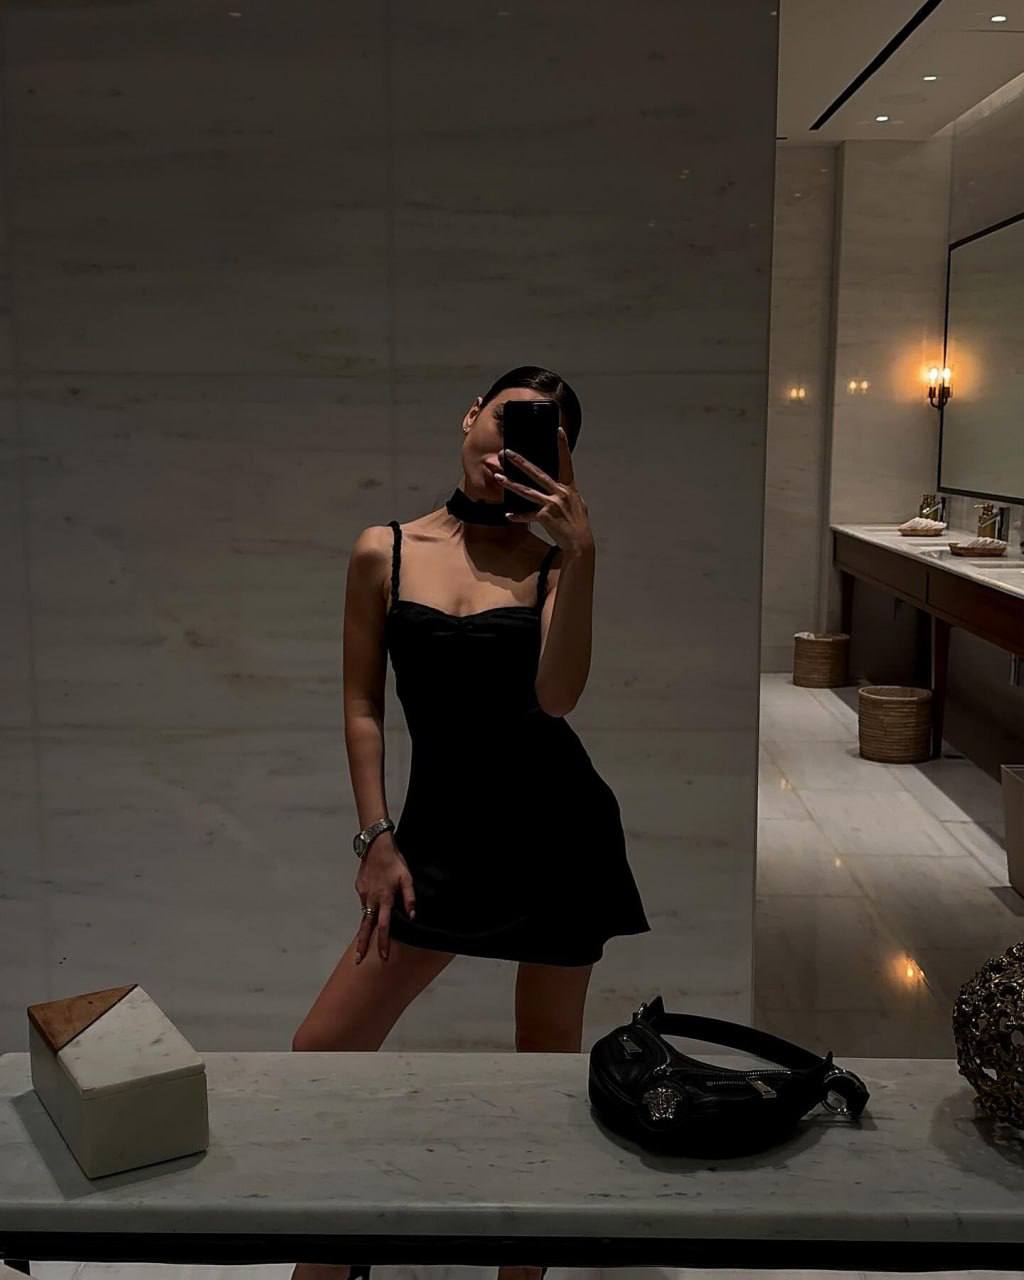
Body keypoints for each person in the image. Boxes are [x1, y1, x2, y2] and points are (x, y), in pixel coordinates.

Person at [290, 366, 651, 1280]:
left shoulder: (553, 563)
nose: (506, 447)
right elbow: (362, 705)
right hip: (436, 844)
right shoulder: (385, 550)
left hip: (556, 840)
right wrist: (376, 838)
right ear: (470, 417)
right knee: (321, 1054)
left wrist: (584, 553)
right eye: (504, 419)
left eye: (540, 435)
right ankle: (329, 1262)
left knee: (543, 1083)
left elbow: (557, 698)